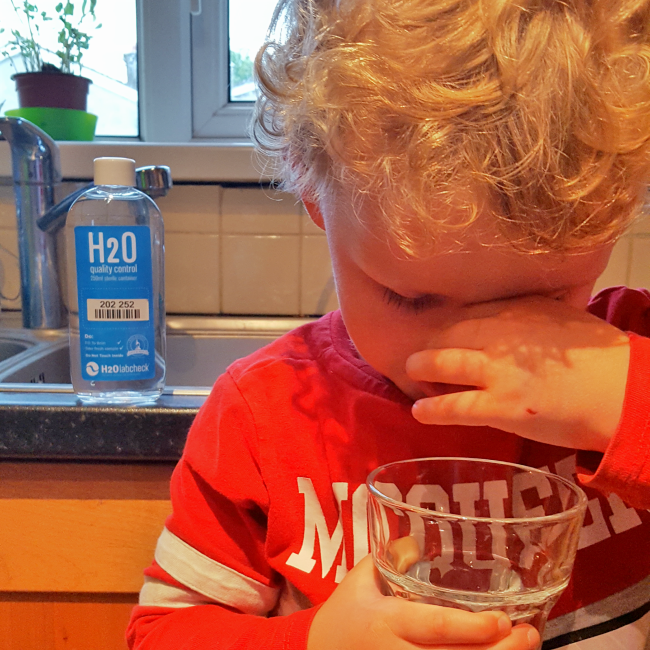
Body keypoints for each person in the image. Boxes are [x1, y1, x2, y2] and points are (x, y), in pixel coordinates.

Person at [127, 0, 650, 648]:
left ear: (619, 211)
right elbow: (162, 635)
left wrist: (631, 402)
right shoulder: (263, 420)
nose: (468, 352)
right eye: (410, 299)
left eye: (543, 304)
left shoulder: (637, 352)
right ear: (314, 188)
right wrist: (315, 642)